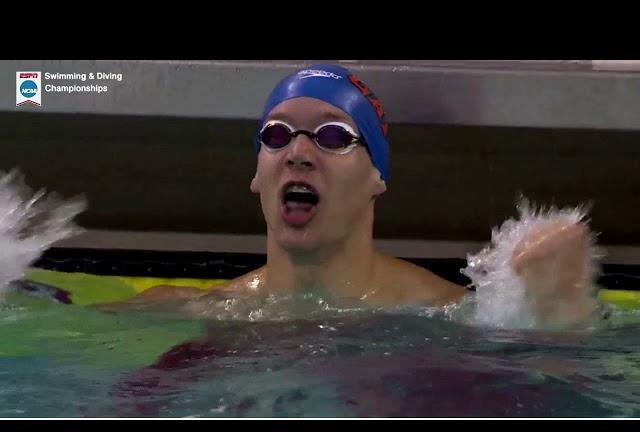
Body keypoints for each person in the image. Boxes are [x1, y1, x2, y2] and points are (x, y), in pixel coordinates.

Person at [133, 63, 597, 326]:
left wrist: (552, 311)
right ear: (257, 175)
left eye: (332, 136)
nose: (298, 152)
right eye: (276, 136)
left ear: (377, 176)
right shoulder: (189, 313)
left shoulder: (448, 317)